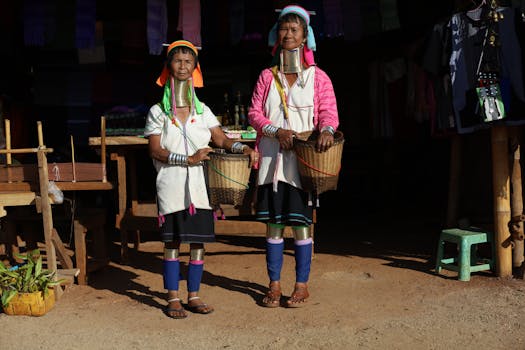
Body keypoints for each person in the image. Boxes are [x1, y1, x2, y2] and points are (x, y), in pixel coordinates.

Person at [144, 39, 258, 319]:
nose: (183, 66)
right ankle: (173, 297)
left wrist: (242, 147)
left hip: (199, 189)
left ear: (195, 68)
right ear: (168, 67)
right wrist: (188, 159)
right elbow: (156, 150)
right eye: (177, 61)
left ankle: (193, 295)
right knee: (171, 244)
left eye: (188, 61)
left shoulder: (202, 110)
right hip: (170, 187)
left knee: (197, 244)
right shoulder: (158, 112)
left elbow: (219, 138)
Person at [247, 4, 339, 308]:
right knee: (273, 226)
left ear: (304, 38)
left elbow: (329, 113)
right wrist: (275, 132)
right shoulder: (266, 77)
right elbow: (254, 114)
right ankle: (273, 285)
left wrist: (325, 130)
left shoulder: (318, 78)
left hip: (302, 164)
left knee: (301, 225)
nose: (288, 34)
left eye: (294, 29)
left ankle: (301, 285)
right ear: (277, 34)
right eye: (284, 28)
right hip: (272, 164)